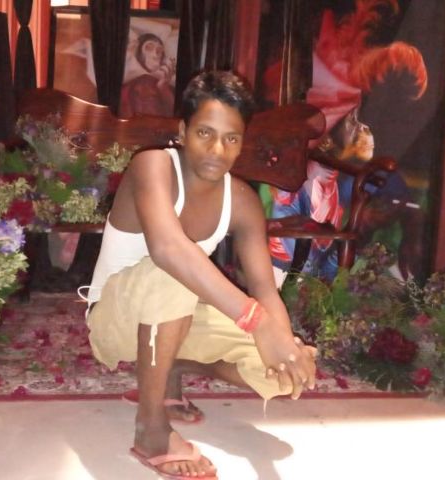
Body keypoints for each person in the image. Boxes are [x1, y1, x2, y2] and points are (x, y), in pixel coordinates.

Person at [83, 71, 317, 479]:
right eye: (205, 133)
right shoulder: (152, 166)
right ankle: (151, 429)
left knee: (279, 374)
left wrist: (284, 344)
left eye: (231, 138)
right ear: (182, 132)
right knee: (173, 271)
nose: (217, 149)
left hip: (176, 317)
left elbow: (265, 288)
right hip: (114, 320)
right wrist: (257, 323)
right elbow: (168, 251)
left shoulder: (242, 201)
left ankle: (171, 367)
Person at [119, 33, 176, 118]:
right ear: (139, 51)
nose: (155, 54)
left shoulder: (165, 83)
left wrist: (163, 87)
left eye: (159, 51)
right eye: (149, 48)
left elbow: (173, 114)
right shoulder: (128, 79)